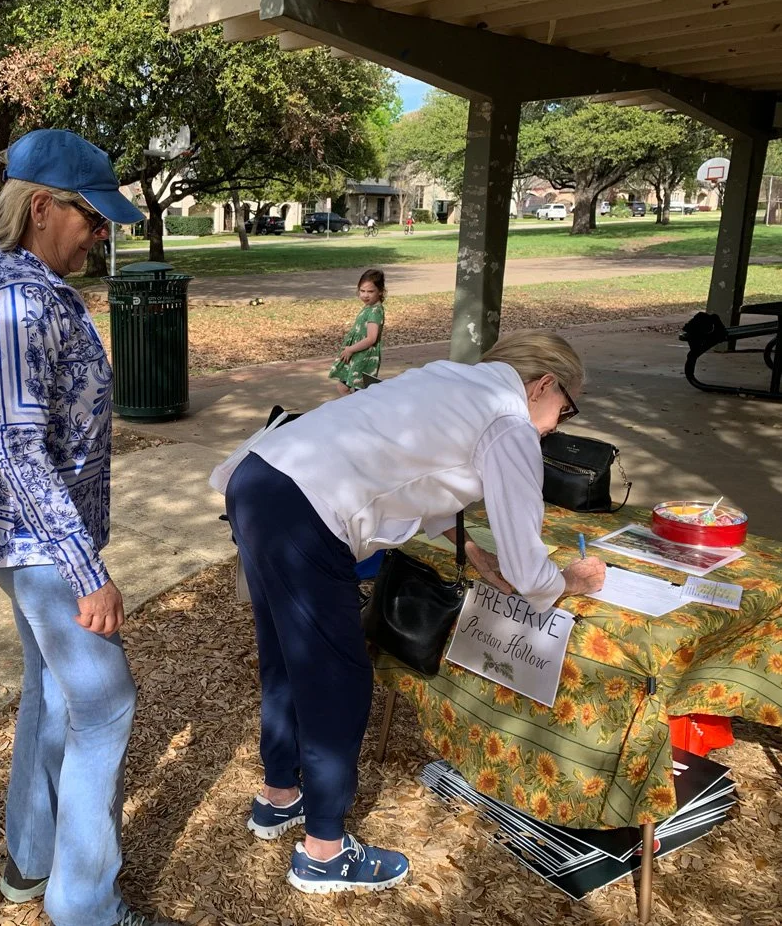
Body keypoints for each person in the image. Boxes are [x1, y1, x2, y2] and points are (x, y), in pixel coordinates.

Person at [224, 330, 606, 895]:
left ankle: (281, 796)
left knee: (286, 656)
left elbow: (416, 477)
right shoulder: (510, 422)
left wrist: (471, 548)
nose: (556, 426)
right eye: (564, 410)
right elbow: (528, 567)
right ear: (544, 385)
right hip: (307, 509)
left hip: (258, 478)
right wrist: (568, 580)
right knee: (337, 678)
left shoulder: (451, 378)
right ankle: (324, 852)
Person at [0, 129, 176, 926]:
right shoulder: (20, 299)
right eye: (92, 216)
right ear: (42, 207)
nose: (102, 231)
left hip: (33, 538)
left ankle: (30, 859)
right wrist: (86, 570)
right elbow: (14, 446)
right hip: (40, 544)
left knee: (51, 692)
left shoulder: (22, 281)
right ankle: (84, 907)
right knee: (106, 705)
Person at [329, 268, 386, 396]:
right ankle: (355, 410)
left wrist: (351, 349)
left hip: (364, 357)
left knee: (359, 391)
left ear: (380, 291)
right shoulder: (369, 307)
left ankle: (358, 411)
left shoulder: (375, 311)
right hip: (357, 355)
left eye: (370, 291)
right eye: (362, 291)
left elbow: (371, 338)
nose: (365, 295)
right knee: (343, 387)